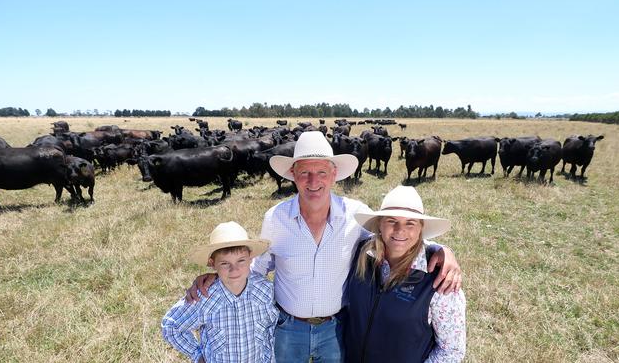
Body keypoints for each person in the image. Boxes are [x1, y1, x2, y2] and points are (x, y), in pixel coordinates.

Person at [187, 132, 462, 362]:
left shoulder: (355, 214)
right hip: (287, 326)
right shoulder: (276, 218)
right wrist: (222, 277)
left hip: (338, 327)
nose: (313, 181)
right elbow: (257, 268)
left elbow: (396, 234)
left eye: (321, 172)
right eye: (304, 172)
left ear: (334, 176)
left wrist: (440, 250)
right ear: (293, 175)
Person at [345, 186, 466, 362]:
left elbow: (451, 351)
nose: (400, 230)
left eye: (410, 222)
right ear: (379, 224)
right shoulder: (361, 253)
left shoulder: (439, 279)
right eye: (391, 221)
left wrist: (443, 249)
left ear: (420, 229)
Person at [161, 221, 278, 363]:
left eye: (241, 260)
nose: (234, 269)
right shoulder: (205, 297)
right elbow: (171, 326)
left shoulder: (265, 290)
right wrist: (198, 356)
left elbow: (271, 327)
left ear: (251, 258)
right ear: (212, 263)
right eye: (224, 263)